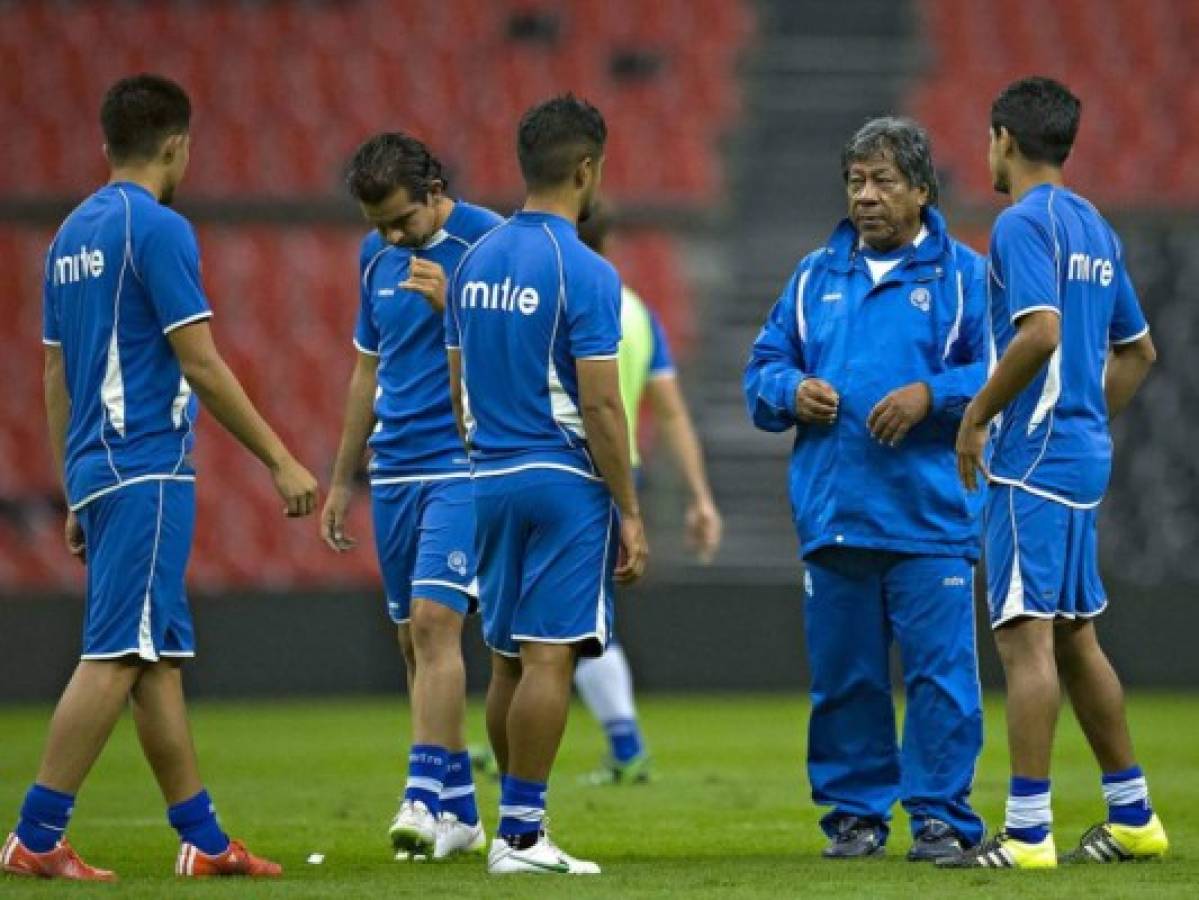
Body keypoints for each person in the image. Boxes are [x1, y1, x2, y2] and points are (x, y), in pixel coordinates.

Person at [2, 74, 318, 882]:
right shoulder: (160, 228)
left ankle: (205, 842)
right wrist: (280, 458)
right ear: (178, 145)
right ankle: (37, 837)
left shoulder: (69, 235)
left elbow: (52, 368)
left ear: (107, 145)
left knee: (154, 662)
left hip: (99, 465)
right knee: (116, 655)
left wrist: (75, 481)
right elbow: (201, 364)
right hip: (144, 465)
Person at [744, 117, 988, 861]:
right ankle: (855, 816)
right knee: (845, 682)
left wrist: (930, 395)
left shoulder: (964, 276)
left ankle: (940, 816)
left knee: (940, 680)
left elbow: (1002, 369)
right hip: (837, 513)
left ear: (921, 189)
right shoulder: (813, 274)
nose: (866, 196)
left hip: (930, 516)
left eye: (883, 181)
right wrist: (791, 391)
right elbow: (760, 372)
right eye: (855, 181)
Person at [944, 76, 1165, 870]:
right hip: (1077, 458)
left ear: (1002, 136)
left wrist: (975, 417)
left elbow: (1036, 333)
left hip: (1028, 460)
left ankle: (1027, 832)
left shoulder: (1019, 223)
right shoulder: (1094, 226)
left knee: (1022, 641)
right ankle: (1132, 814)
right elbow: (1137, 352)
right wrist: (1086, 414)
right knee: (1074, 636)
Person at [446, 94, 648, 876]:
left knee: (502, 660)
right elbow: (599, 401)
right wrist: (628, 509)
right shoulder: (587, 271)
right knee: (550, 657)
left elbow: (459, 378)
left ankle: (514, 827)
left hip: (487, 474)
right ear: (587, 168)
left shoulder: (475, 261)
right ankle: (523, 839)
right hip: (561, 477)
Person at [320, 132, 502, 861]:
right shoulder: (377, 258)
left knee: (434, 622)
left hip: (462, 459)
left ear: (433, 191)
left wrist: (454, 305)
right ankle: (460, 813)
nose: (394, 237)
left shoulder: (488, 243)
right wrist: (340, 478)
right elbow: (367, 371)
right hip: (393, 467)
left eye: (402, 220)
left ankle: (421, 794)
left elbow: (518, 352)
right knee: (409, 639)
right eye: (379, 227)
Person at [574, 207, 722, 784]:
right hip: (619, 476)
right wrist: (699, 496)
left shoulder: (557, 302)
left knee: (561, 621)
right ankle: (621, 743)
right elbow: (671, 410)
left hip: (566, 472)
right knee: (576, 618)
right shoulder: (634, 310)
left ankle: (625, 744)